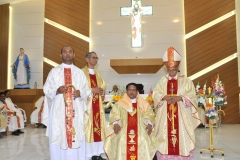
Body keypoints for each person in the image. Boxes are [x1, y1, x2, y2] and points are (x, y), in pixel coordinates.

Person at [43, 46, 91, 160]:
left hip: (76, 110)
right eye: (65, 52)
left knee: (76, 133)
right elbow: (46, 89)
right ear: (61, 55)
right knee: (58, 133)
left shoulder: (79, 72)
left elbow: (87, 90)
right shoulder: (54, 72)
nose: (67, 54)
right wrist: (57, 91)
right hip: (59, 112)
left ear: (74, 55)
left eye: (70, 52)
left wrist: (80, 93)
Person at [153, 47, 201, 160]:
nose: (171, 72)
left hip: (181, 118)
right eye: (169, 70)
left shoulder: (186, 81)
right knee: (165, 139)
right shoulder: (162, 81)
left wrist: (180, 98)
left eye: (173, 69)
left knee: (182, 138)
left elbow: (192, 96)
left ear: (178, 67)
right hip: (166, 117)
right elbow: (155, 94)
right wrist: (163, 97)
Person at [104, 83, 157, 160]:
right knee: (122, 140)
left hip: (141, 129)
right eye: (129, 90)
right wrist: (115, 124)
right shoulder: (119, 104)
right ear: (126, 91)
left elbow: (149, 114)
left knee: (143, 140)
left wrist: (149, 124)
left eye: (133, 90)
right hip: (123, 128)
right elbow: (114, 114)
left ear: (137, 92)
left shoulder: (143, 104)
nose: (131, 92)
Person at [81, 51, 106, 159]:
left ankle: (98, 153)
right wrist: (92, 90)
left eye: (96, 58)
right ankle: (88, 154)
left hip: (98, 107)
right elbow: (79, 89)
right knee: (88, 129)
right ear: (87, 59)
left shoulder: (97, 73)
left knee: (99, 129)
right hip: (87, 107)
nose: (95, 60)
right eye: (93, 57)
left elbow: (103, 85)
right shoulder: (81, 73)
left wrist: (101, 91)